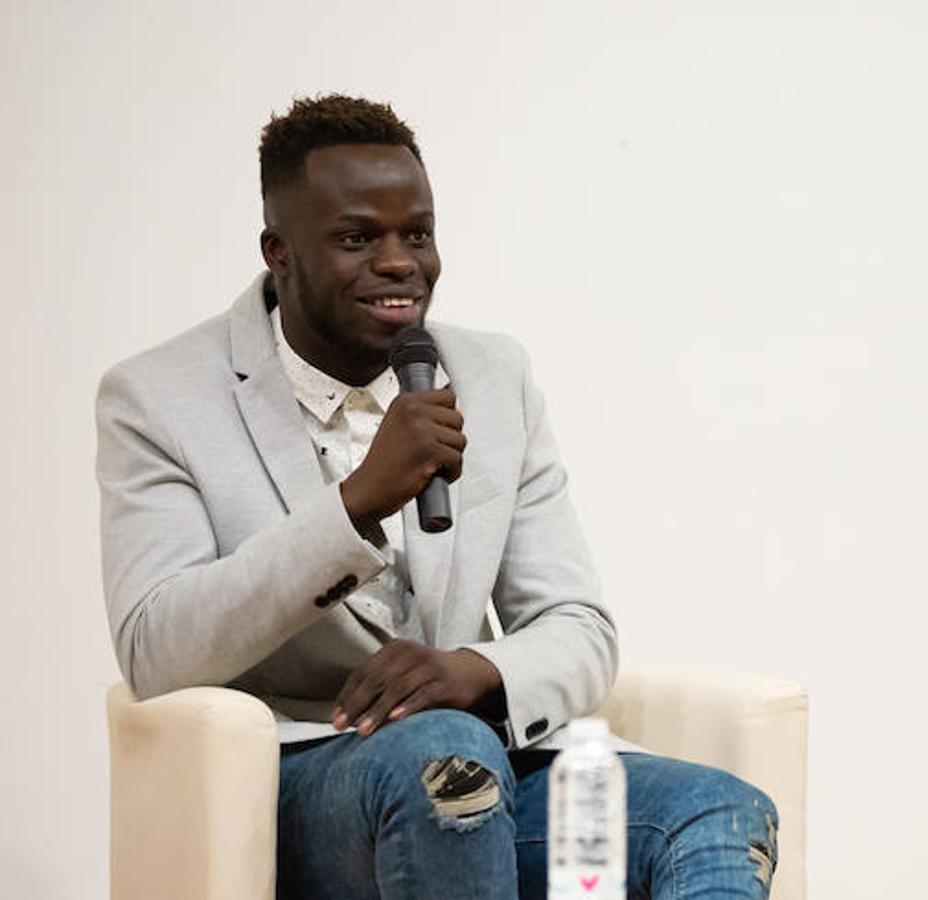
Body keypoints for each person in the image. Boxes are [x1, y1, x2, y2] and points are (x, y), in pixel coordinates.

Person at [97, 94, 777, 900]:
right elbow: (154, 648)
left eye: (416, 233)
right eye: (358, 238)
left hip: (491, 765)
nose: (400, 263)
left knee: (717, 811)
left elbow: (578, 627)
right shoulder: (159, 398)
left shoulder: (493, 376)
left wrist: (476, 668)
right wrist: (353, 505)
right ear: (280, 253)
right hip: (305, 781)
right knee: (447, 762)